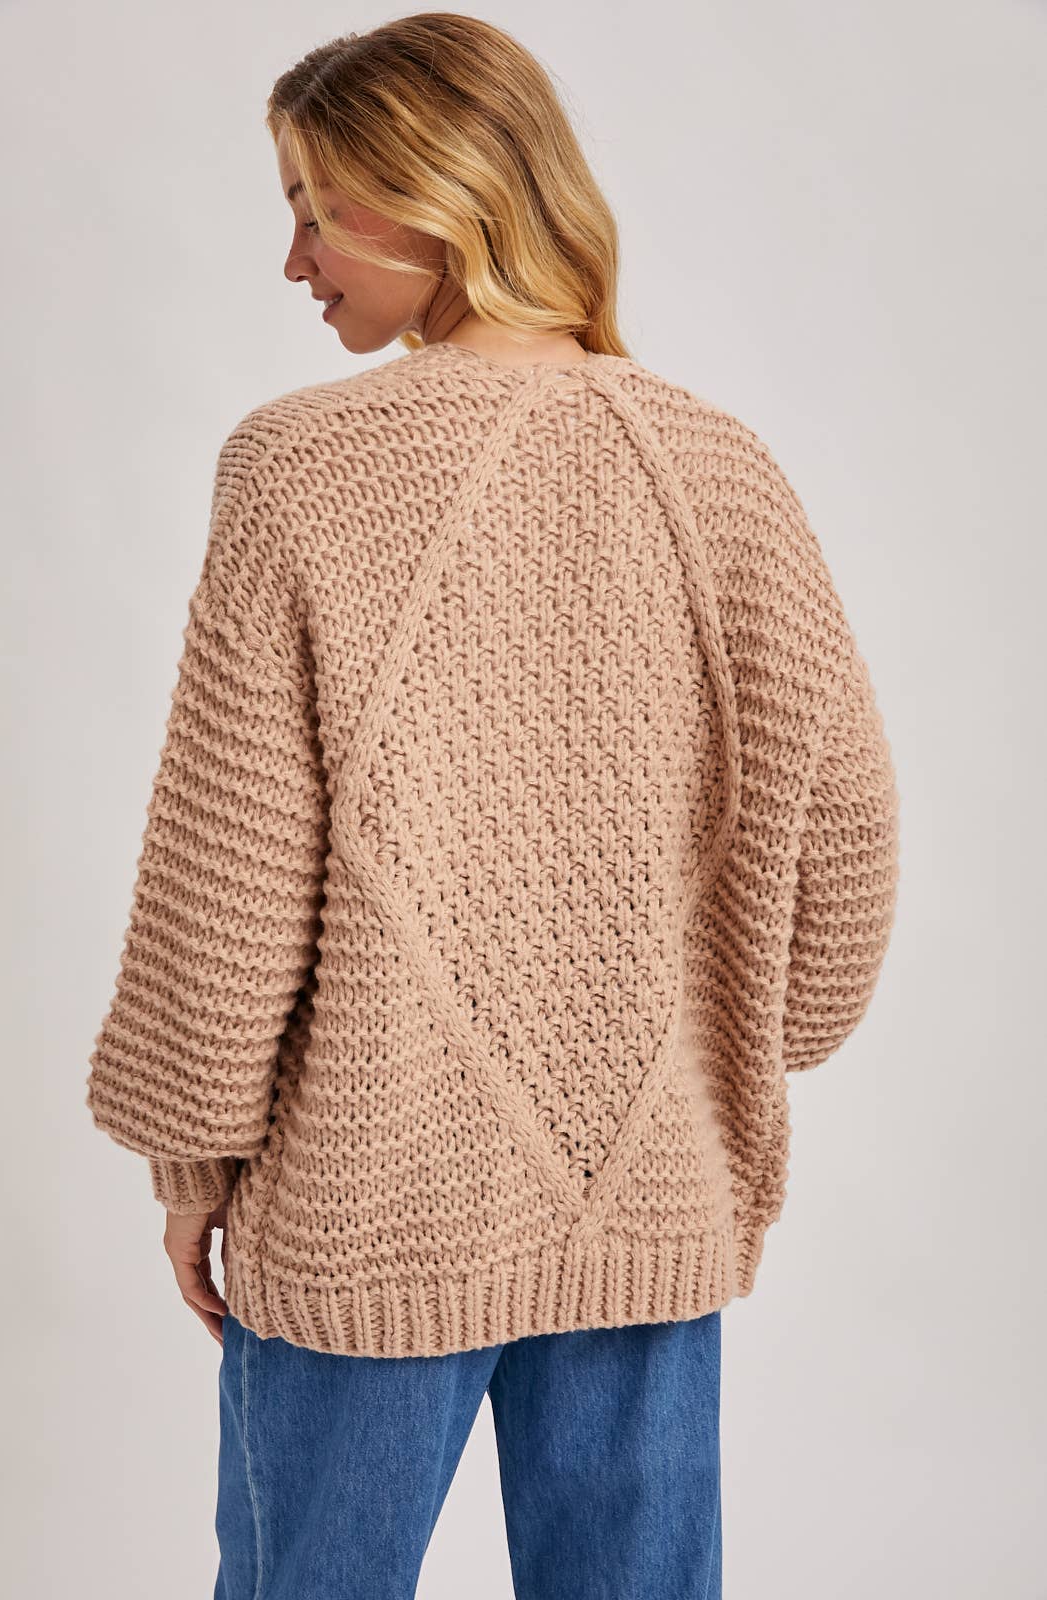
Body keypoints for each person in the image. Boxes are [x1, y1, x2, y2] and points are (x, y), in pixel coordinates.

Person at [84, 13, 900, 1598]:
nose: (294, 260)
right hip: (653, 1198)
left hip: (367, 1201)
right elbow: (848, 831)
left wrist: (193, 1163)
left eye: (316, 209)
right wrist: (753, 1030)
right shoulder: (725, 470)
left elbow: (228, 874)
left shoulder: (300, 468)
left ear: (437, 192)